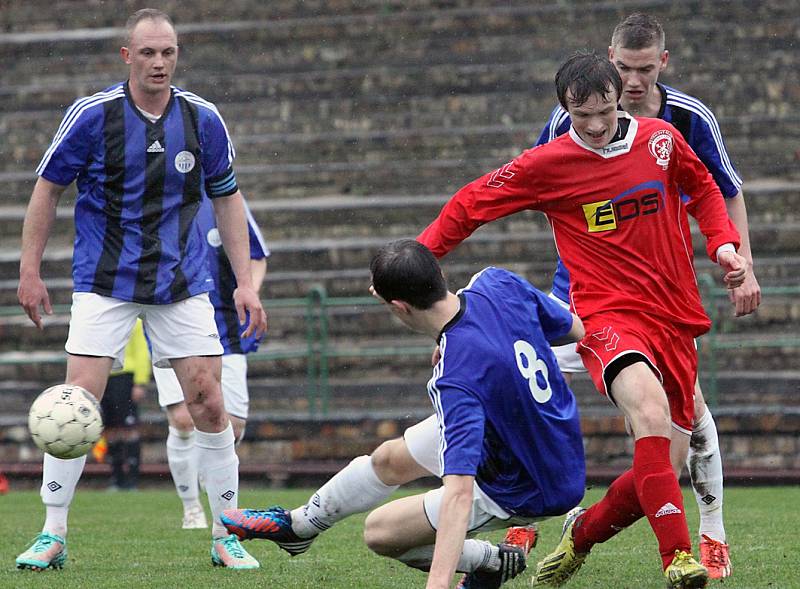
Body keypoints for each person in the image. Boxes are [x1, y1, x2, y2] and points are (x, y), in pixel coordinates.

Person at [416, 52, 749, 588]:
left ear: (621, 97)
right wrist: (416, 264)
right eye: (580, 114)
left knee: (662, 460)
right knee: (648, 409)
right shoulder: (549, 163)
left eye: (604, 111)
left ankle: (584, 533)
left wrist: (725, 245)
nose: (594, 126)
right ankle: (678, 559)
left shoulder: (660, 140)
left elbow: (707, 189)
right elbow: (471, 203)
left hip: (674, 315)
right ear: (563, 108)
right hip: (605, 315)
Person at [15, 9, 266, 571]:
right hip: (104, 282)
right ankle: (53, 533)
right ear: (127, 56)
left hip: (180, 282)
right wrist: (29, 270)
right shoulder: (92, 115)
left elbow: (227, 199)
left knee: (208, 400)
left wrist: (245, 282)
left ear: (177, 56)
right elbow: (47, 190)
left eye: (168, 53)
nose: (159, 62)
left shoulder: (202, 119)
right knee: (78, 400)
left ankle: (226, 534)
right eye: (148, 52)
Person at [222, 240, 586, 588]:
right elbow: (572, 329)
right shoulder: (495, 281)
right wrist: (479, 345)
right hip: (550, 431)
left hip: (531, 482)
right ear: (438, 273)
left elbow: (459, 494)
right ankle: (300, 527)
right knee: (388, 459)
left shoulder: (457, 379)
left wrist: (437, 584)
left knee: (380, 532)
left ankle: (489, 561)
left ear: (399, 307)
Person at [534, 14, 758, 578]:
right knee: (516, 384)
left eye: (643, 69)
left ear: (663, 61)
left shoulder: (685, 119)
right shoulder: (569, 118)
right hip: (580, 300)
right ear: (609, 60)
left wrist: (739, 260)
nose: (632, 82)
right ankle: (520, 512)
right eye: (622, 69)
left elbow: (722, 192)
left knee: (677, 434)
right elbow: (540, 185)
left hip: (661, 295)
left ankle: (710, 534)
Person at [151, 195, 269, 529]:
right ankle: (192, 508)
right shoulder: (160, 194)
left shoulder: (227, 200)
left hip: (225, 328)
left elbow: (257, 257)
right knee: (183, 420)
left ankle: (213, 486)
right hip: (170, 321)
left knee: (232, 427)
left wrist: (249, 290)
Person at [100, 318, 150, 491]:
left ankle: (132, 478)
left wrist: (140, 382)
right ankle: (116, 476)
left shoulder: (134, 322)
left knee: (129, 428)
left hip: (125, 377)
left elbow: (142, 351)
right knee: (110, 429)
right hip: (105, 376)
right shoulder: (101, 320)